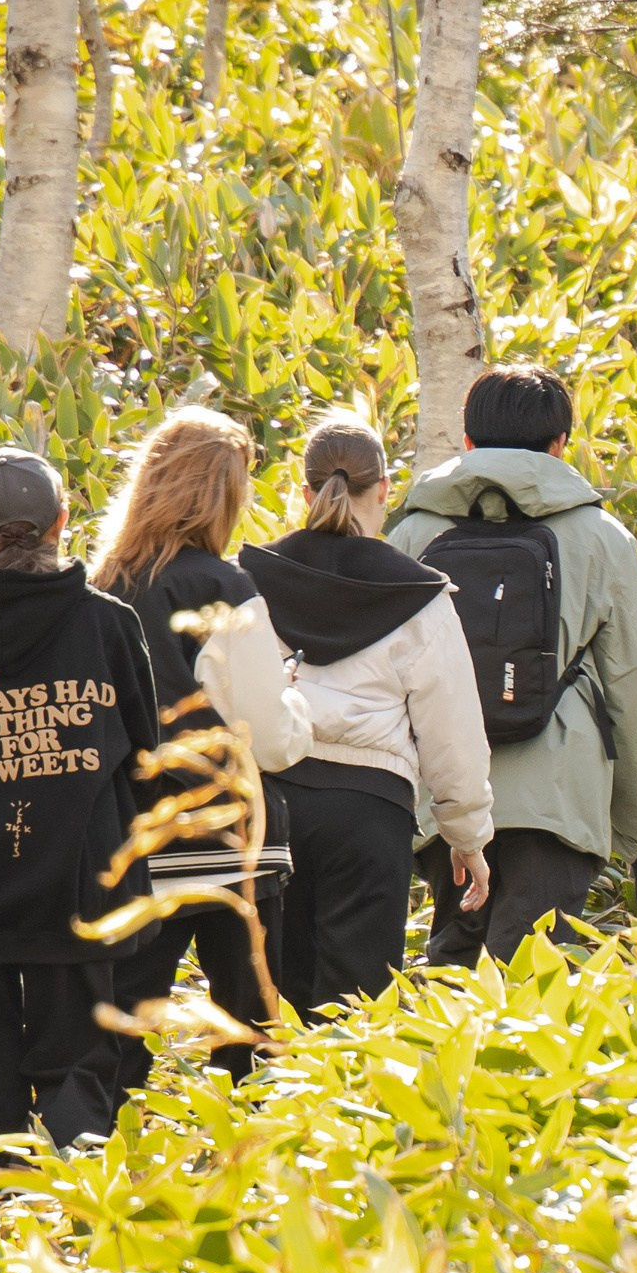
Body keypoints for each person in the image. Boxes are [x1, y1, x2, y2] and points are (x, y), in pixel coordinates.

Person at [0, 448, 161, 1169]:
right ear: (64, 520)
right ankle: (71, 1247)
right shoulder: (108, 627)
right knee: (80, 1082)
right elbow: (149, 760)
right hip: (85, 894)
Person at [385, 364, 637, 963]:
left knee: (455, 973)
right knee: (535, 980)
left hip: (445, 792)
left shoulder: (410, 535)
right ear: (560, 444)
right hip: (559, 796)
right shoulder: (603, 538)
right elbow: (634, 685)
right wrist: (628, 824)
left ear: (467, 442)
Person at [240, 415, 494, 1017]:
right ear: (385, 490)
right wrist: (467, 837)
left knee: (268, 1003)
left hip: (267, 805)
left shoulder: (249, 578)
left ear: (304, 493)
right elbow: (451, 728)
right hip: (368, 813)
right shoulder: (419, 596)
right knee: (357, 1010)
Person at [92, 407, 312, 1083]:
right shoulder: (225, 587)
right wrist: (298, 704)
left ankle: (103, 1172)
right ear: (222, 494)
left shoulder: (102, 589)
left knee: (116, 1042)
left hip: (137, 843)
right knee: (251, 1038)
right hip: (233, 841)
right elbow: (269, 739)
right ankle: (239, 1175)